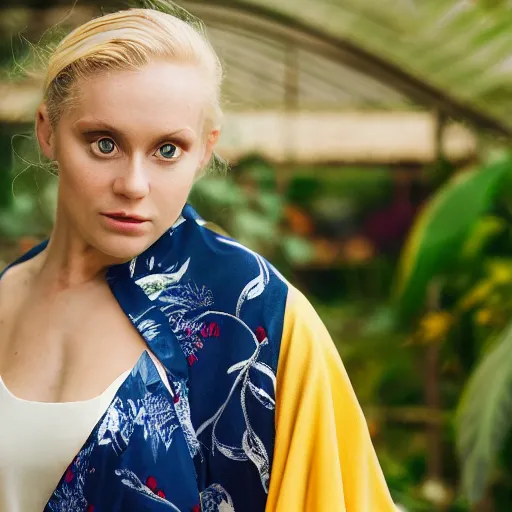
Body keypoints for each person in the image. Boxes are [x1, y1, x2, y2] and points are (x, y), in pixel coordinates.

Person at [0, 5, 396, 512]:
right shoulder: (7, 292)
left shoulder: (259, 319)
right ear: (47, 131)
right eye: (104, 144)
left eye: (167, 150)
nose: (134, 185)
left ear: (205, 151)